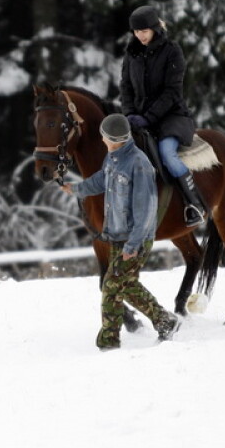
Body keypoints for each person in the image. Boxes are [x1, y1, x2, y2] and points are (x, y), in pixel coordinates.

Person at [61, 113, 180, 350]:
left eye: (104, 137)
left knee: (112, 286)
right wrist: (76, 188)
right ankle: (165, 320)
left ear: (113, 139)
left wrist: (133, 245)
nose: (102, 140)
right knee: (125, 285)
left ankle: (109, 341)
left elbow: (146, 211)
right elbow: (99, 181)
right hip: (116, 235)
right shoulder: (112, 159)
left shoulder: (139, 164)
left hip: (134, 240)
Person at [121, 5, 206, 227]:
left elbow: (172, 91)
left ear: (155, 28)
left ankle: (193, 203)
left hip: (171, 117)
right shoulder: (132, 54)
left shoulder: (172, 51)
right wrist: (129, 113)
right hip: (138, 118)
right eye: (136, 32)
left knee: (167, 154)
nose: (140, 36)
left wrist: (148, 117)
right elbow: (126, 87)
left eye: (144, 31)